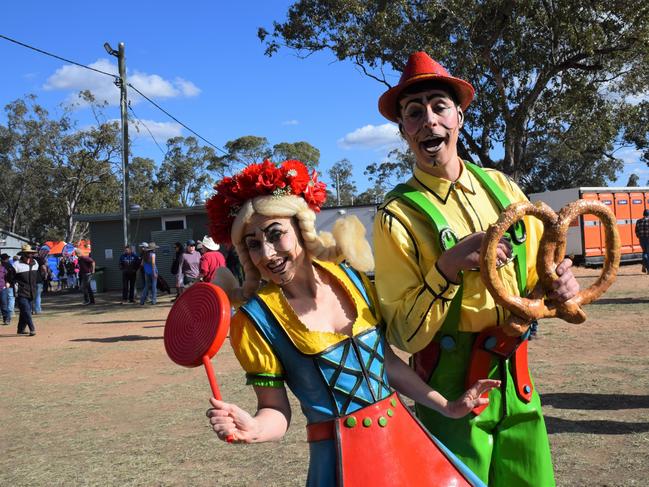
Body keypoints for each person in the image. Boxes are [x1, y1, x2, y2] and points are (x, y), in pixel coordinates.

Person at [203, 160, 499, 486]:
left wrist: (449, 407)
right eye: (254, 244)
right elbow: (275, 410)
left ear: (302, 229)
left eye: (276, 235)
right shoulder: (255, 323)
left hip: (404, 443)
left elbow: (387, 364)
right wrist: (256, 428)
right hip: (338, 464)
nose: (268, 253)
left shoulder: (352, 278)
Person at [373, 52, 581, 486]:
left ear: (459, 118)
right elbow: (401, 335)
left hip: (516, 373)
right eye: (414, 113)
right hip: (448, 384)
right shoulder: (396, 215)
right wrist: (447, 267)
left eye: (439, 107)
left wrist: (560, 280)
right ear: (404, 131)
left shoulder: (502, 187)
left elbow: (543, 269)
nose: (428, 120)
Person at [13, 244, 39, 336]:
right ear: (23, 254)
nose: (30, 254)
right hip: (21, 292)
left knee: (24, 311)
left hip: (32, 292)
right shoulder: (16, 265)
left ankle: (20, 329)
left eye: (31, 253)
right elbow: (11, 278)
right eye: (28, 253)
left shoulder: (35, 263)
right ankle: (32, 329)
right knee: (26, 310)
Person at [1, 253, 16, 326]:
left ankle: (7, 318)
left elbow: (8, 275)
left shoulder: (4, 267)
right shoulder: (8, 265)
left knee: (4, 303)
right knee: (9, 299)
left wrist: (8, 282)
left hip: (4, 286)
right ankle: (9, 315)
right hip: (7, 285)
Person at [635, 209, 649, 273]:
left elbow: (636, 231)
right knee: (647, 253)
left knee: (644, 252)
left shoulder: (638, 221)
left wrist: (639, 237)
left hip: (642, 239)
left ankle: (644, 266)